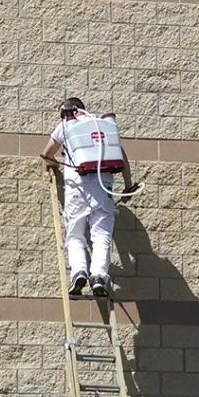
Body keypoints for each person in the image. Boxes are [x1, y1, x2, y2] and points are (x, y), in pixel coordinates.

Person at [41, 97, 138, 298]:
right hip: (103, 191)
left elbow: (46, 154)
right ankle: (99, 277)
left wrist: (55, 166)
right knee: (101, 235)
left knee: (75, 235)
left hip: (76, 190)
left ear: (70, 111)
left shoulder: (65, 127)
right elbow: (122, 158)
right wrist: (128, 186)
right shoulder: (102, 128)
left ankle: (79, 273)